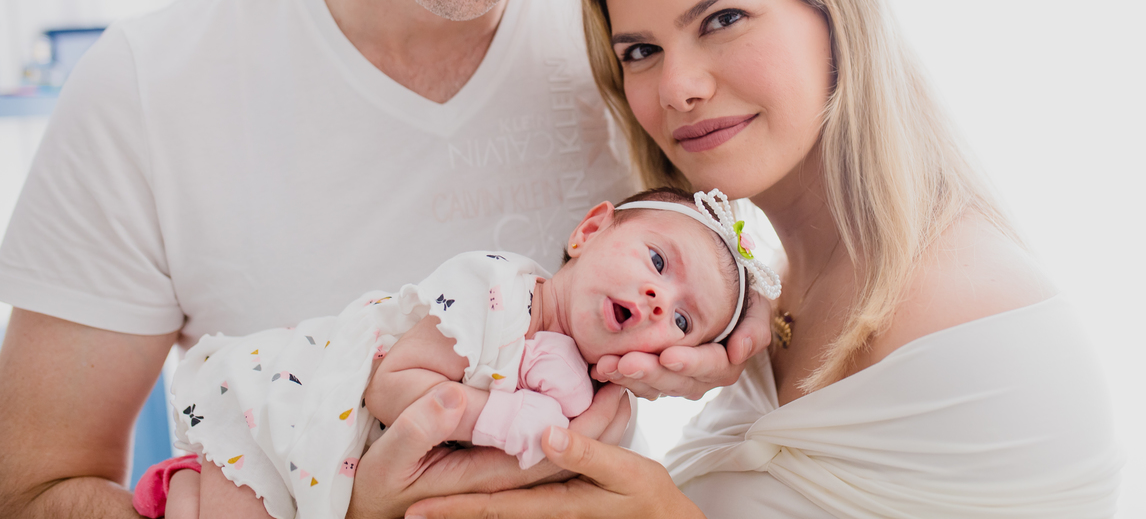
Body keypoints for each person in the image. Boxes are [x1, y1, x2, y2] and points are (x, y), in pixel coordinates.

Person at [0, 0, 770, 519]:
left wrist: (751, 309)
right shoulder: (143, 88)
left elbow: (765, 227)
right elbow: (33, 493)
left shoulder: (633, 56)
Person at [402, 0, 1124, 519]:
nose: (678, 87)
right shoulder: (753, 307)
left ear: (833, 10)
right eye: (642, 51)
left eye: (723, 19)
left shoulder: (981, 325)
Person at [134, 187, 779, 519]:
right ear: (589, 231)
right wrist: (500, 416)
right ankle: (181, 489)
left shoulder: (604, 410)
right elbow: (392, 386)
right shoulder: (495, 293)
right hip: (290, 419)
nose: (659, 299)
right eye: (658, 261)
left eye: (684, 319)